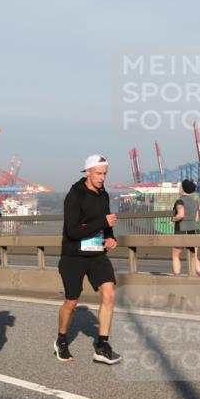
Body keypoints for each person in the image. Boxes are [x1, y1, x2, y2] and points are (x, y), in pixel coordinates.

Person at [54, 154, 121, 365]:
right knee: (72, 302)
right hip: (74, 256)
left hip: (97, 255)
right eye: (99, 173)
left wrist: (110, 237)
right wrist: (102, 221)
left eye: (105, 174)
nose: (102, 178)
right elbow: (73, 231)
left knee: (109, 295)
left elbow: (106, 226)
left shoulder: (104, 195)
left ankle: (102, 346)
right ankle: (61, 340)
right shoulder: (74, 196)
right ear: (88, 172)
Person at [171, 179, 200, 278]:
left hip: (182, 230)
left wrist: (173, 219)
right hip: (194, 230)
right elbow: (197, 219)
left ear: (182, 189)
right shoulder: (195, 202)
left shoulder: (180, 201)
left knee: (176, 255)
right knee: (194, 256)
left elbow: (180, 214)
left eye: (180, 186)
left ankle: (177, 278)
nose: (179, 188)